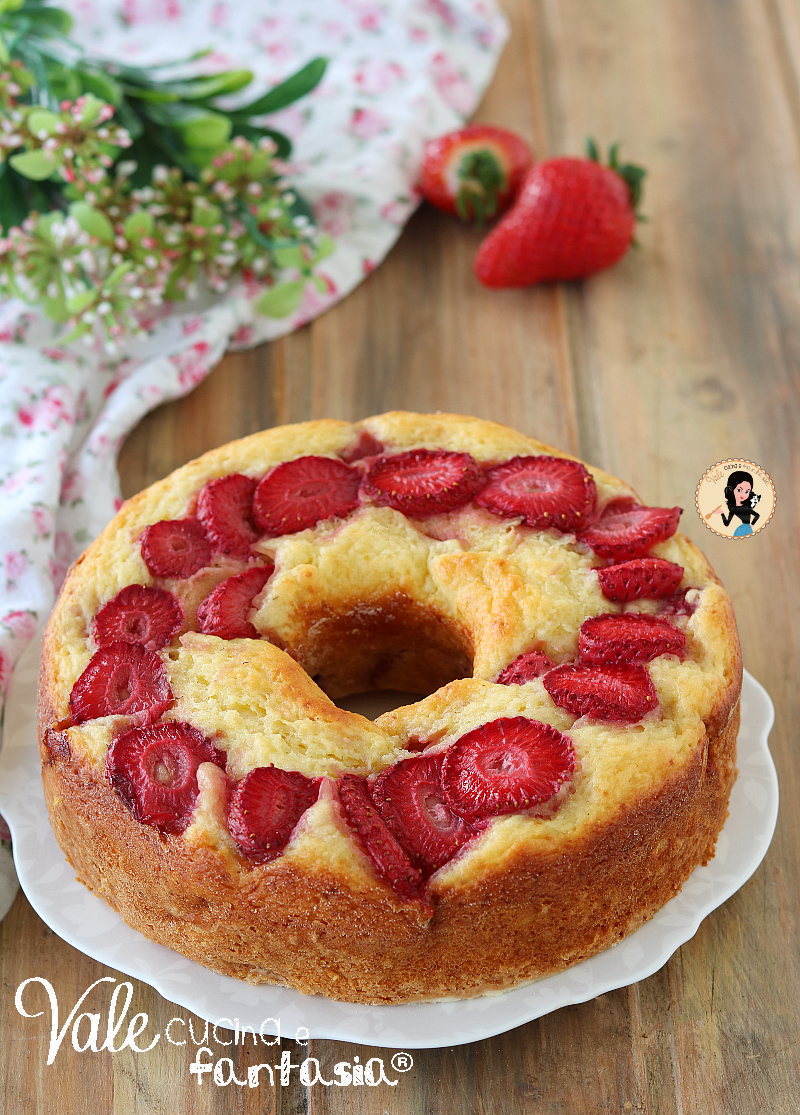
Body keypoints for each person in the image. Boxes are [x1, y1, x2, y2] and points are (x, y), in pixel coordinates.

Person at [716, 470, 760, 536]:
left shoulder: (746, 507)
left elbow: (757, 515)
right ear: (731, 489)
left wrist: (751, 525)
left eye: (747, 492)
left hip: (748, 529)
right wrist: (722, 513)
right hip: (741, 530)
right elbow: (726, 523)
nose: (743, 494)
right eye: (739, 490)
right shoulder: (733, 509)